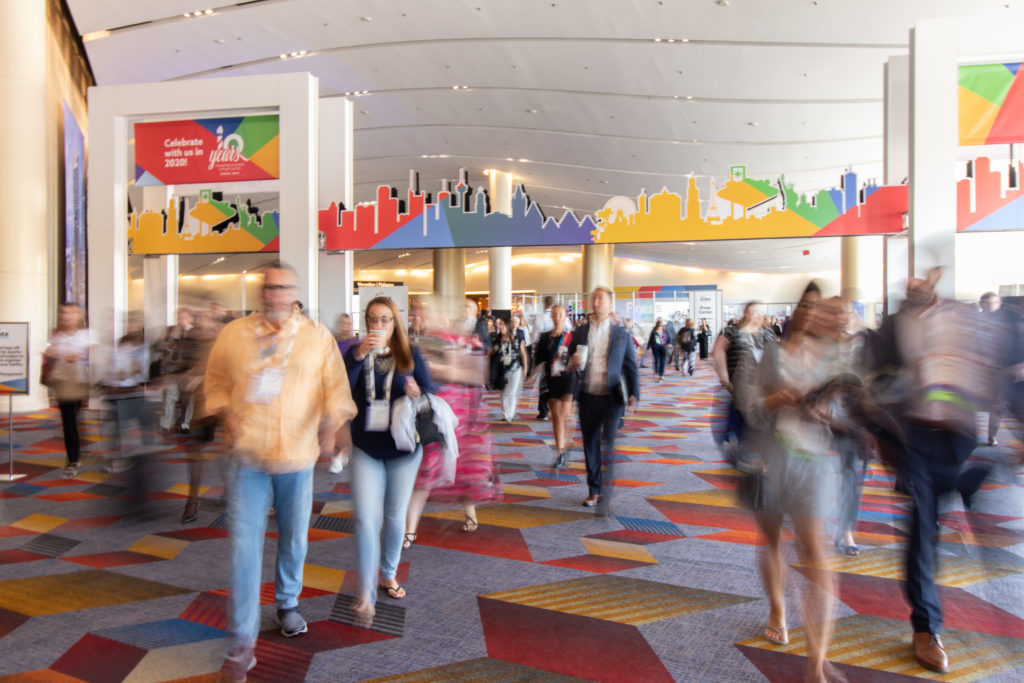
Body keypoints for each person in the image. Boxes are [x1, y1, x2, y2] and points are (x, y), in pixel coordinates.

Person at [204, 261, 355, 680]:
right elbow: (215, 382)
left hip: (296, 455)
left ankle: (287, 602)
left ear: (294, 292)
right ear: (261, 291)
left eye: (282, 288)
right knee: (244, 545)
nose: (274, 295)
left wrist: (332, 426)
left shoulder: (315, 337)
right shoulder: (233, 335)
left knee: (293, 535)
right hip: (247, 454)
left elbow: (336, 389)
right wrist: (225, 416)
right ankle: (242, 640)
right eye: (268, 288)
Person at [872, 269, 1002, 674]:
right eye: (909, 283)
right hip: (914, 441)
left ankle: (967, 484)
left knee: (950, 507)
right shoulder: (894, 328)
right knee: (923, 533)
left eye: (922, 282)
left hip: (958, 438)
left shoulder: (960, 319)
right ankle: (927, 628)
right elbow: (875, 380)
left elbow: (986, 370)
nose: (916, 285)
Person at [734, 285, 843, 683]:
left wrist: (828, 411)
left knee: (817, 552)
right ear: (797, 311)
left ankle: (817, 662)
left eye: (819, 307)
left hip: (814, 460)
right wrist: (777, 401)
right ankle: (777, 608)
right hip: (770, 457)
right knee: (773, 540)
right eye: (806, 306)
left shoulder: (833, 357)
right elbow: (749, 405)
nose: (812, 313)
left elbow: (849, 411)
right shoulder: (770, 352)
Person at [344, 296, 434, 627]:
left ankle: (388, 574)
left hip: (403, 447)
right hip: (365, 445)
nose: (378, 326)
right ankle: (365, 590)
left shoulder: (411, 354)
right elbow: (342, 390)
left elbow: (431, 396)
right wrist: (356, 357)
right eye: (372, 319)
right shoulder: (355, 353)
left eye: (384, 319)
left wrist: (417, 392)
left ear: (395, 323)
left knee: (395, 515)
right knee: (367, 519)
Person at [405, 300, 498, 546]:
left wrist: (433, 367)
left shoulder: (448, 339)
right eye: (415, 313)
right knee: (428, 467)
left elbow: (473, 374)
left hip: (457, 413)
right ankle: (410, 529)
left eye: (420, 312)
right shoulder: (423, 340)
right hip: (436, 411)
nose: (416, 316)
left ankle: (469, 513)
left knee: (461, 466)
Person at [568, 287, 640, 507]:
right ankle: (595, 489)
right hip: (588, 395)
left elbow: (631, 366)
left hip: (612, 397)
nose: (597, 302)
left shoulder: (621, 335)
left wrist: (635, 393)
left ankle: (606, 487)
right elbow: (566, 363)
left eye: (602, 299)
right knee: (589, 443)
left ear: (610, 304)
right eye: (594, 298)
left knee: (608, 442)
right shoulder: (580, 333)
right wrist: (571, 364)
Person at [43, 303, 94, 479]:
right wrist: (60, 353)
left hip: (79, 381)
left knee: (76, 419)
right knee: (69, 421)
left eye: (71, 313)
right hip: (63, 382)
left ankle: (77, 451)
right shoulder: (57, 333)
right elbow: (51, 352)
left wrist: (70, 354)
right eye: (64, 312)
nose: (67, 316)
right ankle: (73, 459)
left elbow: (88, 353)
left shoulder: (87, 334)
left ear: (79, 315)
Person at [531, 304, 577, 467]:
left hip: (568, 379)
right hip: (551, 379)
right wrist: (532, 375)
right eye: (555, 315)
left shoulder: (571, 337)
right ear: (551, 317)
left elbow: (579, 357)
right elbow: (539, 360)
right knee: (557, 416)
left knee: (564, 415)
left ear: (565, 317)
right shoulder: (545, 337)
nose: (557, 318)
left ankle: (568, 432)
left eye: (560, 315)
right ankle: (560, 453)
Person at [491, 317, 529, 421]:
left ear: (508, 326)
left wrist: (525, 368)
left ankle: (510, 414)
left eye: (503, 325)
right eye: (500, 325)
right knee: (503, 392)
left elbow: (523, 354)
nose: (501, 327)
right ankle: (505, 413)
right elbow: (491, 354)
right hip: (502, 370)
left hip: (515, 368)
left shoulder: (517, 339)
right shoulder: (497, 340)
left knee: (512, 393)